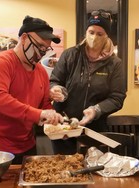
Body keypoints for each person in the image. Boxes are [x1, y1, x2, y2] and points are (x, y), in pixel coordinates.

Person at [0, 15, 64, 166]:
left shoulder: (41, 71)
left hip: (26, 144)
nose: (42, 53)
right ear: (24, 38)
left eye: (45, 49)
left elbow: (44, 103)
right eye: (39, 46)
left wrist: (54, 119)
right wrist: (40, 114)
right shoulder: (1, 62)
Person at [49, 10, 127, 155]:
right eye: (91, 32)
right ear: (85, 32)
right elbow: (54, 81)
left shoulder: (115, 64)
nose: (94, 37)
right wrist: (56, 89)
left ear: (107, 36)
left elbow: (117, 97)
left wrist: (96, 110)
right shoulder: (70, 55)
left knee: (93, 169)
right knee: (64, 169)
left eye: (99, 34)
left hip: (95, 129)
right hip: (64, 126)